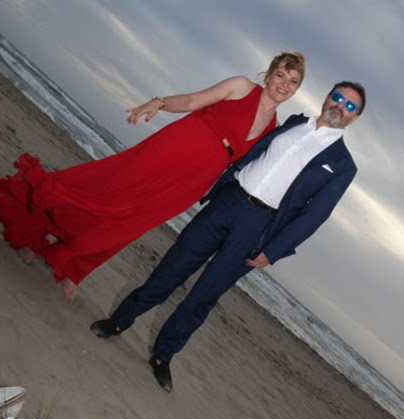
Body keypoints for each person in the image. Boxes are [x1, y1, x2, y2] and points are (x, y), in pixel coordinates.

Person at [91, 81, 366, 392]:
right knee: (172, 267)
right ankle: (119, 321)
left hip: (259, 228)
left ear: (354, 117)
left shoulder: (343, 165)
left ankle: (162, 355)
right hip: (228, 202)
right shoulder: (294, 122)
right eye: (338, 97)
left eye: (350, 106)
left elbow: (315, 215)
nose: (340, 106)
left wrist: (273, 251)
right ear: (328, 97)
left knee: (204, 296)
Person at [0, 52, 305, 299]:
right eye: (281, 75)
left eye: (293, 82)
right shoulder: (242, 86)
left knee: (136, 220)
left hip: (194, 180)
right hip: (174, 148)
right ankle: (43, 234)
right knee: (111, 189)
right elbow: (193, 100)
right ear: (268, 74)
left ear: (295, 89)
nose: (284, 85)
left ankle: (71, 265)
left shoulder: (275, 127)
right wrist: (158, 103)